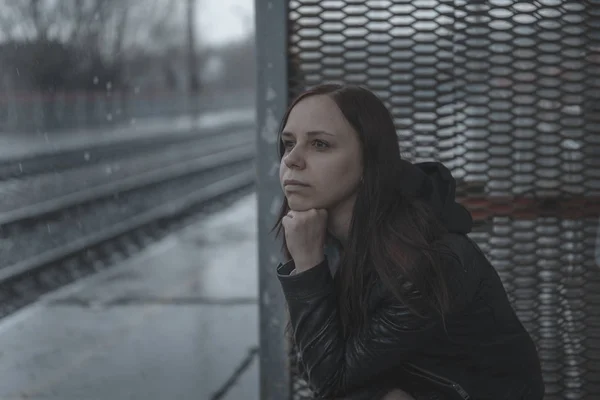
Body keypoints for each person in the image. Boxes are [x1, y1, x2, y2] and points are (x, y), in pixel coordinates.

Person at [272, 83, 545, 400]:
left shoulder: (425, 260)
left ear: (368, 162)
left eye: (320, 144)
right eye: (288, 144)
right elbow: (316, 362)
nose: (292, 160)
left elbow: (328, 380)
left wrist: (307, 267)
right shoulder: (329, 238)